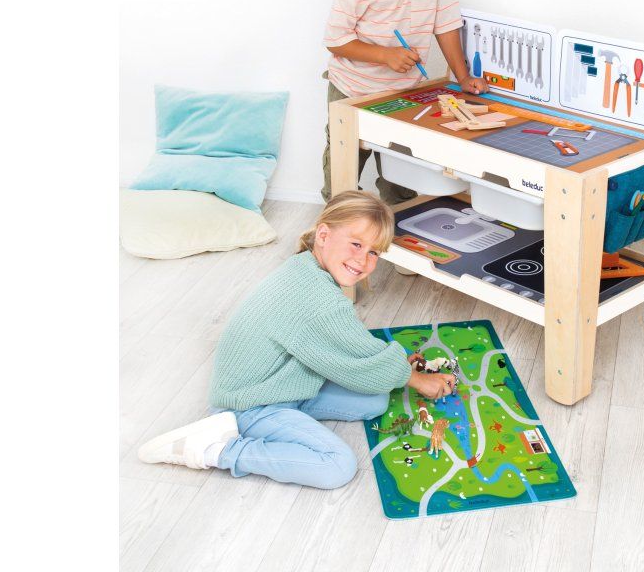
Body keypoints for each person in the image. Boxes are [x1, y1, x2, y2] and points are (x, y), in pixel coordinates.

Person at [137, 191, 456, 490]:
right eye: (356, 244)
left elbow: (353, 349)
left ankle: (291, 419)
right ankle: (217, 450)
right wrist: (417, 380)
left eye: (373, 252)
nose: (363, 260)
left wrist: (394, 371)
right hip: (249, 404)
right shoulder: (318, 301)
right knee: (338, 466)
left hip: (283, 384)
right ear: (324, 235)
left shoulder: (304, 268)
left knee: (375, 399)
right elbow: (357, 354)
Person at [320, 0, 490, 204]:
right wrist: (385, 55)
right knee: (342, 175)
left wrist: (463, 76)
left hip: (403, 93)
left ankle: (397, 226)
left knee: (401, 174)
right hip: (352, 91)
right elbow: (336, 40)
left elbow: (446, 23)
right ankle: (334, 225)